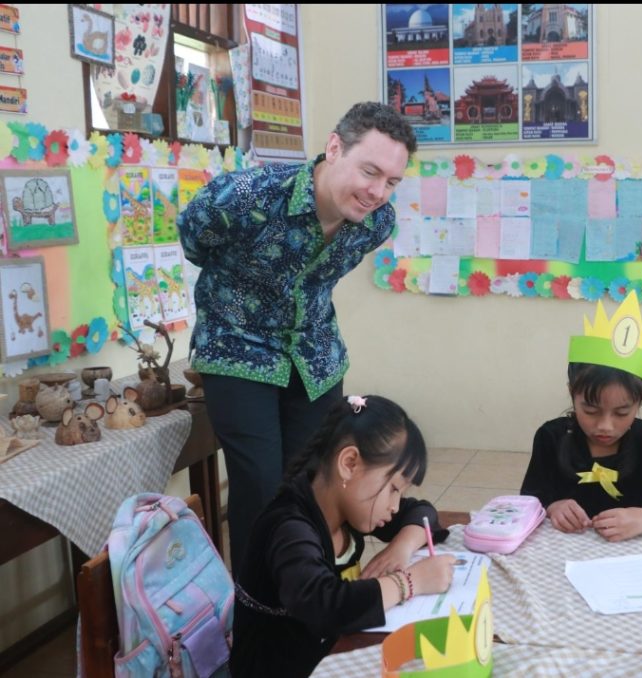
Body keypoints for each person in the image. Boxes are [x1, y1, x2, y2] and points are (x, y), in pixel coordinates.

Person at [178, 102, 416, 571]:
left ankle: (310, 588)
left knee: (317, 478)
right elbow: (193, 239)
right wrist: (236, 294)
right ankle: (257, 609)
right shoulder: (246, 196)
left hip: (314, 353)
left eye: (391, 182)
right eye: (369, 171)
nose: (376, 192)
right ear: (333, 147)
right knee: (262, 484)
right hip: (237, 347)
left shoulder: (376, 223)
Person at [230, 394, 456, 678]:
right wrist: (410, 582)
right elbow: (323, 604)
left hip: (328, 655)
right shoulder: (289, 527)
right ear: (349, 464)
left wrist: (402, 546)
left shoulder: (346, 505)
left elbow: (423, 513)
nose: (395, 505)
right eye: (394, 488)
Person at [520, 291, 642, 541]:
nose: (605, 426)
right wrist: (552, 506)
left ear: (638, 402)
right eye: (590, 410)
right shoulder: (551, 436)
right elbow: (526, 502)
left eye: (622, 412)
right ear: (572, 394)